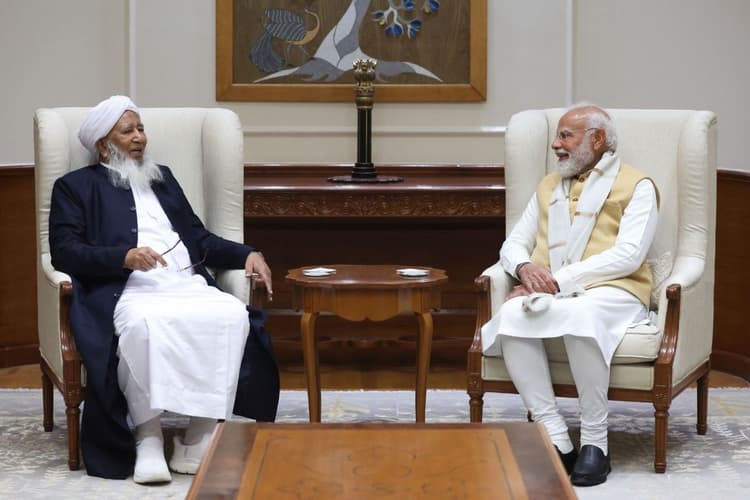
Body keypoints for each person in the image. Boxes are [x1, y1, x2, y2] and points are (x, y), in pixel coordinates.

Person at [48, 96, 280, 483]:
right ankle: (148, 436)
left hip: (183, 282)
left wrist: (247, 254)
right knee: (145, 325)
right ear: (103, 145)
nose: (140, 137)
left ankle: (198, 435)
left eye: (141, 129)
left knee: (230, 315)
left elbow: (198, 239)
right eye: (128, 131)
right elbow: (65, 251)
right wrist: (122, 257)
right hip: (128, 290)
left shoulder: (163, 178)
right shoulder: (75, 187)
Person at [481, 105, 659, 486]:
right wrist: (525, 269)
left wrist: (559, 281)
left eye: (565, 136)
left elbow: (629, 255)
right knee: (511, 315)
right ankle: (555, 437)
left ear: (597, 139)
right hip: (554, 291)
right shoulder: (548, 186)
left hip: (615, 291)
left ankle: (595, 442)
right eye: (557, 135)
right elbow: (514, 243)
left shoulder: (638, 185)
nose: (555, 144)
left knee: (582, 314)